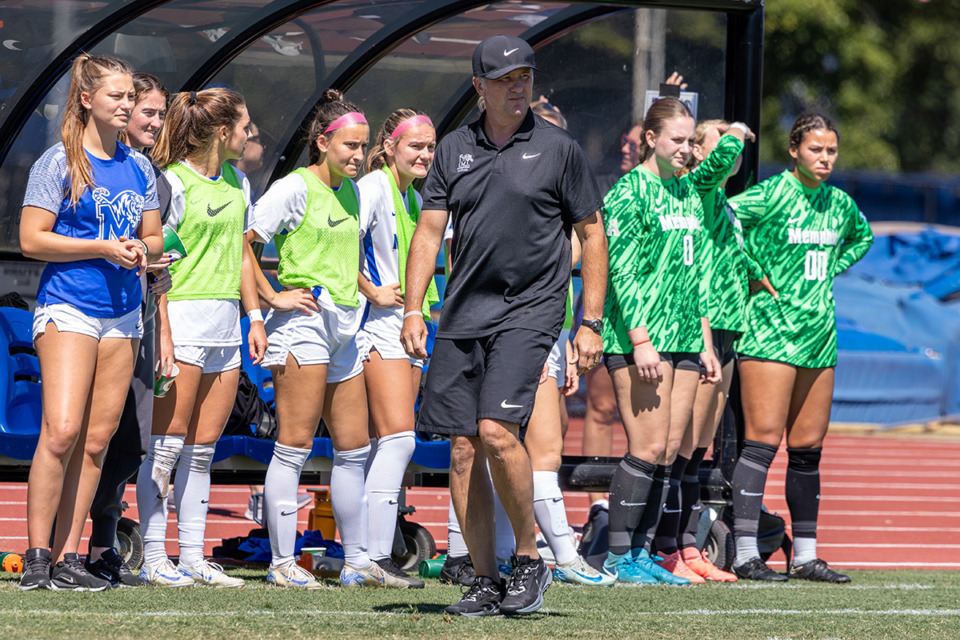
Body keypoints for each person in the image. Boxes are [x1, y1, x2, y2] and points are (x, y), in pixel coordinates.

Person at [401, 35, 608, 616]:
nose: (518, 86)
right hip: (463, 313)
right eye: (505, 78)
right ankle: (484, 577)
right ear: (479, 87)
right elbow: (428, 233)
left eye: (525, 76)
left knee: (495, 431)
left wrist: (589, 321)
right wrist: (414, 307)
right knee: (463, 449)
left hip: (532, 311)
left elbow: (592, 234)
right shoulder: (452, 149)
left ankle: (529, 559)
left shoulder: (559, 148)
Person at [18, 54, 162, 591]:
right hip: (70, 308)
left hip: (124, 315)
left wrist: (140, 250)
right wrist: (102, 246)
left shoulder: (140, 166)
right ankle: (36, 556)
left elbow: (154, 237)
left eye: (131, 97)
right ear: (87, 100)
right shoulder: (59, 161)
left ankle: (67, 557)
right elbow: (33, 240)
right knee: (62, 431)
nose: (127, 106)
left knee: (98, 441)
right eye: (117, 97)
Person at [728, 113, 873, 583]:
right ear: (794, 150)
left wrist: (833, 265)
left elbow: (862, 237)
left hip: (819, 336)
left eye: (831, 150)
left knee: (808, 449)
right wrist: (751, 268)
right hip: (770, 333)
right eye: (815, 149)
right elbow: (723, 217)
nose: (825, 158)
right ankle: (745, 552)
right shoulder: (771, 194)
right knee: (762, 443)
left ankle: (806, 555)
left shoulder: (840, 204)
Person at [246, 90, 381, 590]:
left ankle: (358, 562)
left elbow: (351, 262)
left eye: (363, 147)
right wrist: (269, 299)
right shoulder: (293, 188)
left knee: (353, 447)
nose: (357, 155)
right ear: (323, 142)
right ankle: (283, 565)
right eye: (349, 145)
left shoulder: (355, 192)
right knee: (295, 446)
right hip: (303, 324)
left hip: (348, 326)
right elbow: (246, 242)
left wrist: (369, 292)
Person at [135, 87, 266, 588]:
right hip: (182, 324)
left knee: (203, 450)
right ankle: (152, 557)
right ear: (221, 130)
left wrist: (253, 316)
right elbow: (156, 265)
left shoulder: (238, 182)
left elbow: (240, 255)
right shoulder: (171, 183)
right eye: (245, 125)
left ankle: (191, 556)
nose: (250, 134)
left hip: (226, 328)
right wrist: (163, 330)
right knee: (166, 448)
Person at [599, 96, 721, 585]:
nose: (687, 149)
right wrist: (640, 340)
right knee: (646, 446)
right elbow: (622, 272)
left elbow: (698, 274)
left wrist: (706, 342)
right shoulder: (630, 192)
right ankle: (619, 555)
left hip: (687, 336)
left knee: (670, 448)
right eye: (677, 139)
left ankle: (646, 553)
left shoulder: (689, 191)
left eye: (691, 141)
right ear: (650, 139)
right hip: (640, 338)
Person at [654, 119, 758, 583]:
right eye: (720, 146)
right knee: (680, 446)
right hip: (705, 326)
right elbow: (716, 164)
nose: (732, 154)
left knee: (700, 450)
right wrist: (735, 128)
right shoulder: (696, 186)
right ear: (698, 152)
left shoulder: (721, 200)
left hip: (728, 328)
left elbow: (736, 256)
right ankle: (665, 547)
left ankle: (688, 547)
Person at [84, 71, 172, 588]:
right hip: (89, 318)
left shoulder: (148, 173)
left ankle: (102, 549)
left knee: (129, 440)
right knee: (85, 434)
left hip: (138, 322)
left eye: (161, 114)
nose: (154, 123)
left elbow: (158, 264)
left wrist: (162, 333)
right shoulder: (85, 164)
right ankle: (55, 549)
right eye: (146, 111)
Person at [356, 108, 438, 589]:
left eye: (430, 147)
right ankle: (374, 557)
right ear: (389, 147)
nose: (425, 154)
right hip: (376, 326)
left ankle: (364, 554)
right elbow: (334, 249)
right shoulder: (371, 189)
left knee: (377, 444)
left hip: (407, 327)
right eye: (416, 146)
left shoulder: (415, 196)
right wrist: (370, 289)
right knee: (398, 439)